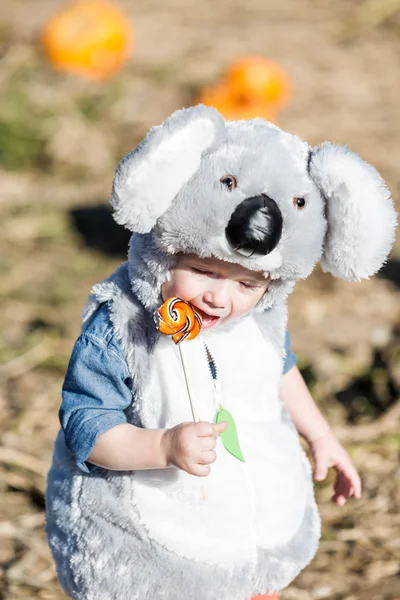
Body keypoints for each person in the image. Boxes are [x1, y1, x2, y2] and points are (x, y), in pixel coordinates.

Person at [46, 105, 396, 600]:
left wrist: (320, 434)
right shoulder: (120, 326)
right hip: (157, 551)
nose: (220, 298)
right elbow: (86, 425)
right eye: (206, 272)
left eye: (247, 284)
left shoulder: (257, 319)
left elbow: (279, 368)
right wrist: (162, 447)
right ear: (165, 248)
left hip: (246, 538)